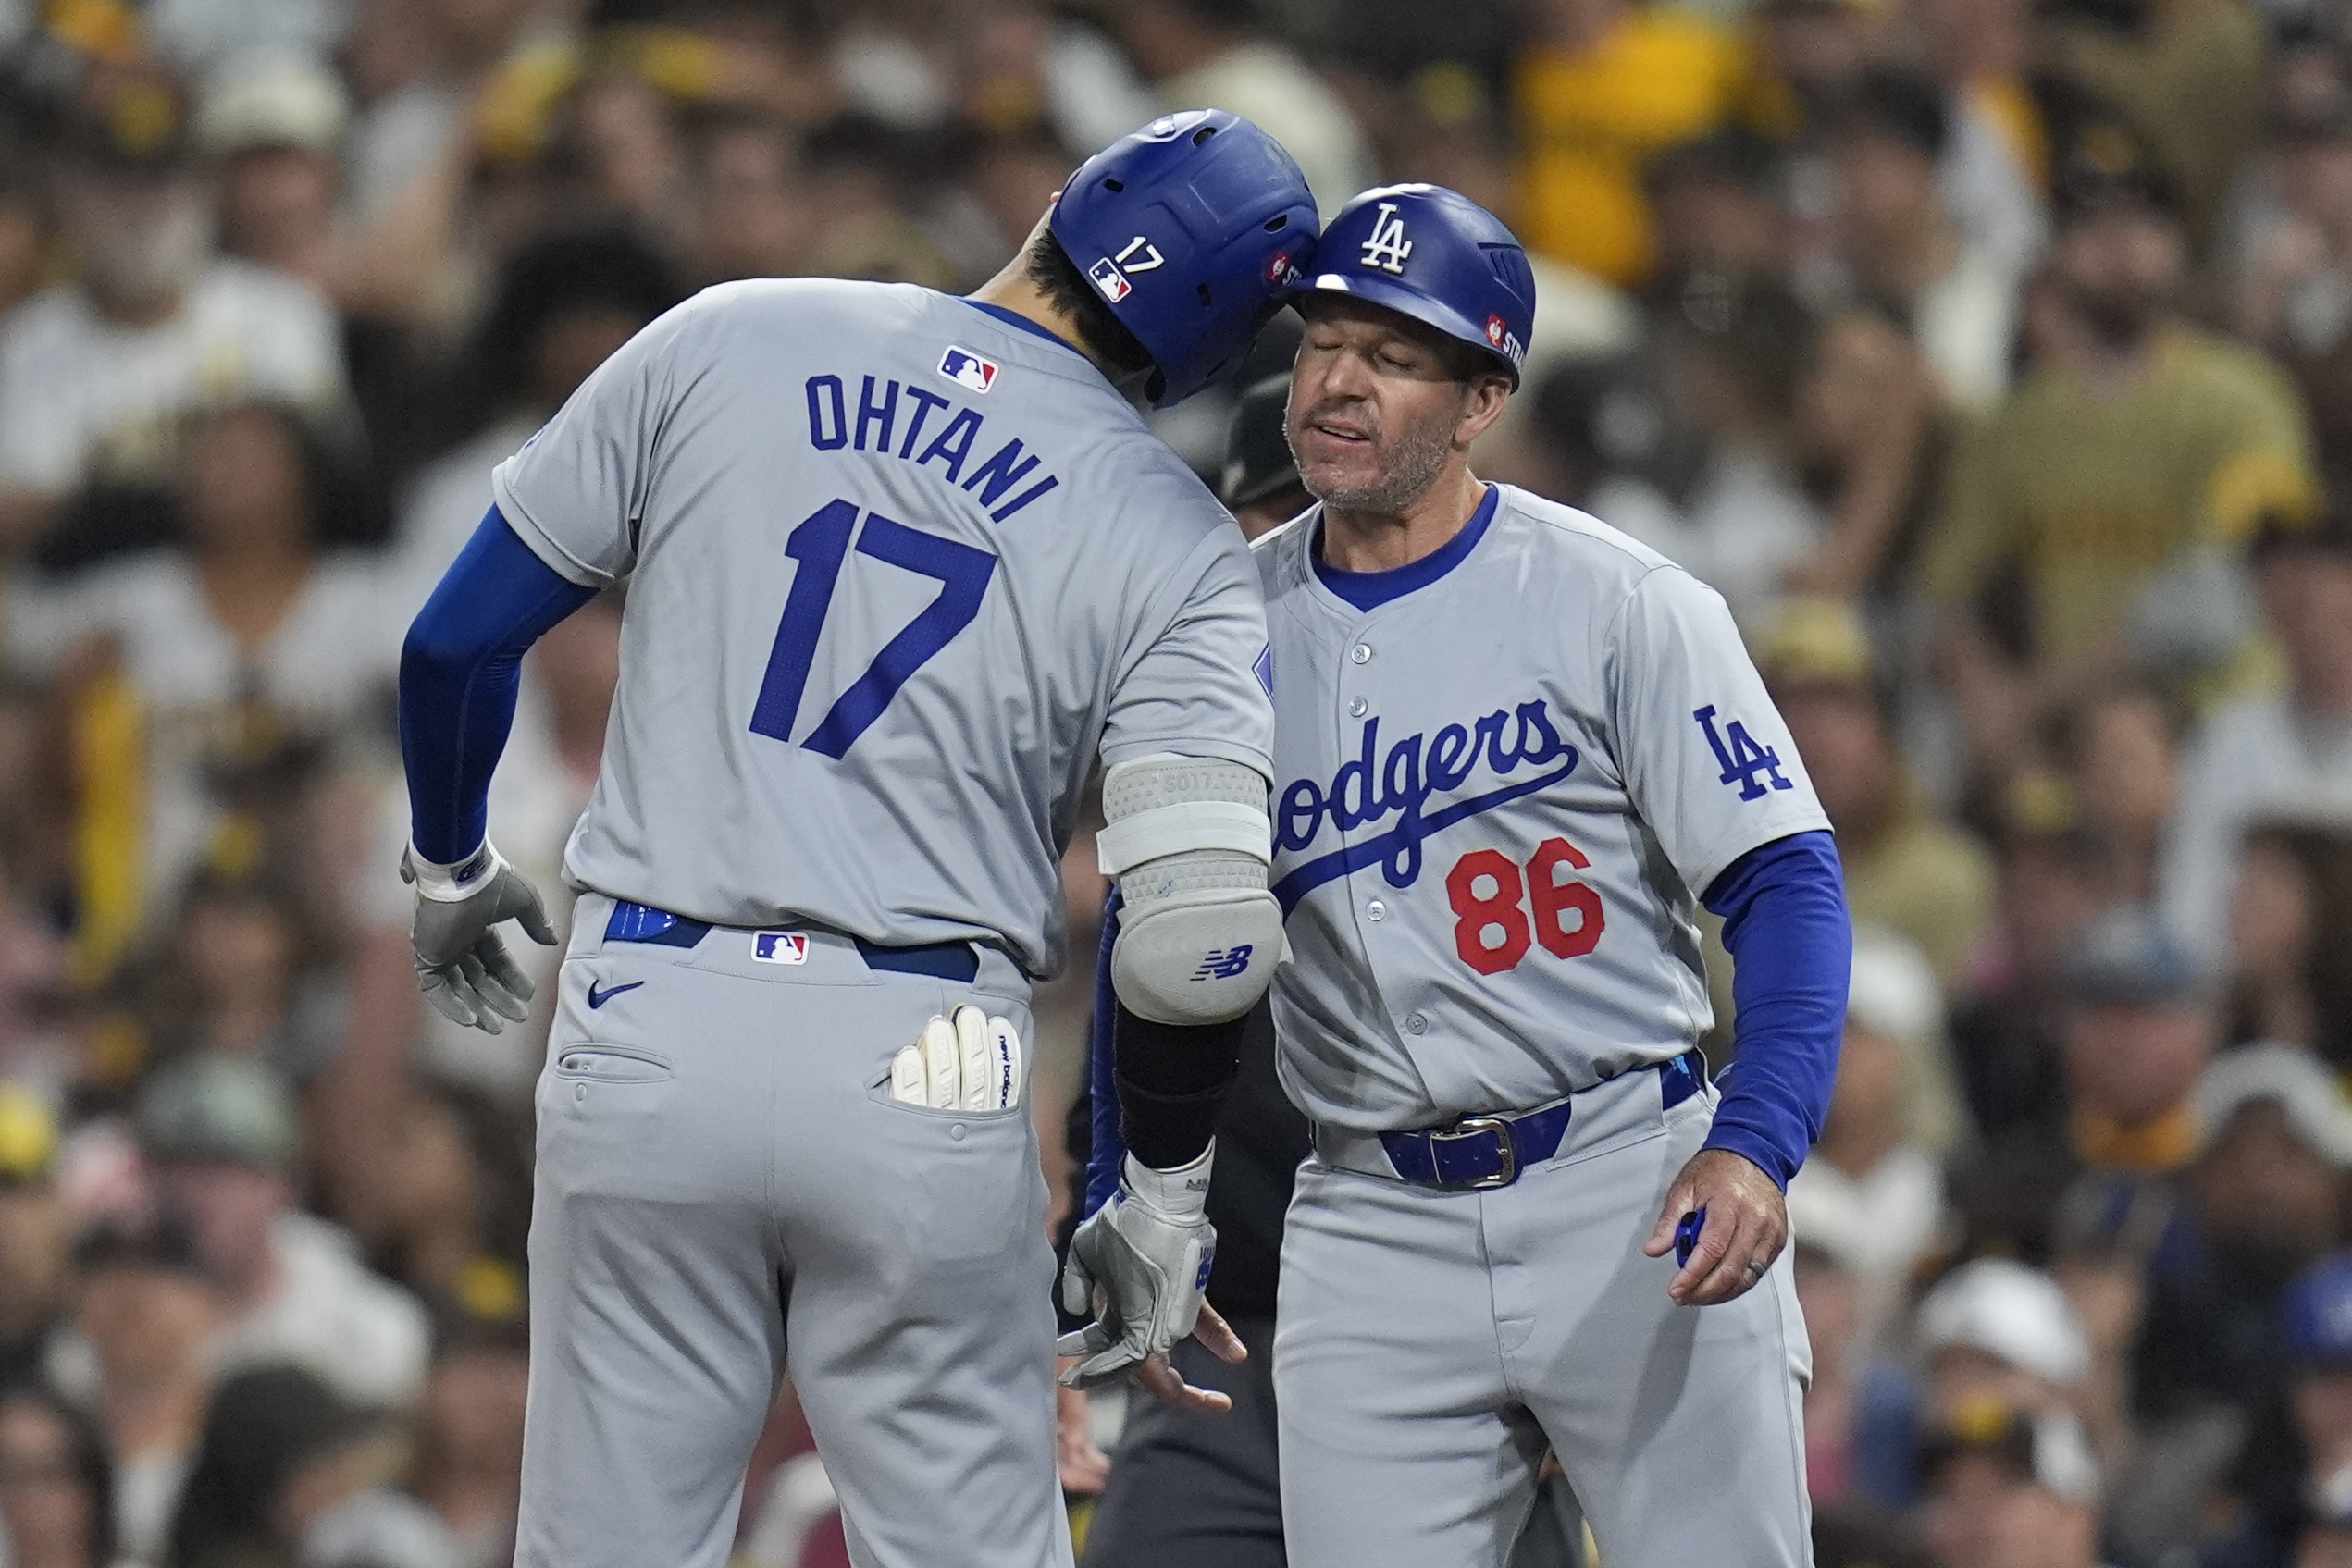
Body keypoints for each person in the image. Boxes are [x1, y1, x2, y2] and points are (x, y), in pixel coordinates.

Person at [391, 112, 1318, 1568]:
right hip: (925, 1051)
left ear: (1070, 205)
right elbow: (1198, 932)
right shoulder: (1175, 534)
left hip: (649, 1011)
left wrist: (450, 858)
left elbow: (452, 645)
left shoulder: (733, 333)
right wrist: (1156, 1193)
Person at [1204, 181, 1850, 1567]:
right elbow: (1159, 932)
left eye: (1391, 354)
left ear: (1481, 393)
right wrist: (1123, 1180)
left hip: (1626, 1178)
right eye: (1321, 340)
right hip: (1366, 1214)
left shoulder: (1617, 600)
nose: (1335, 380)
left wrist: (1756, 1141)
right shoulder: (1212, 631)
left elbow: (1784, 880)